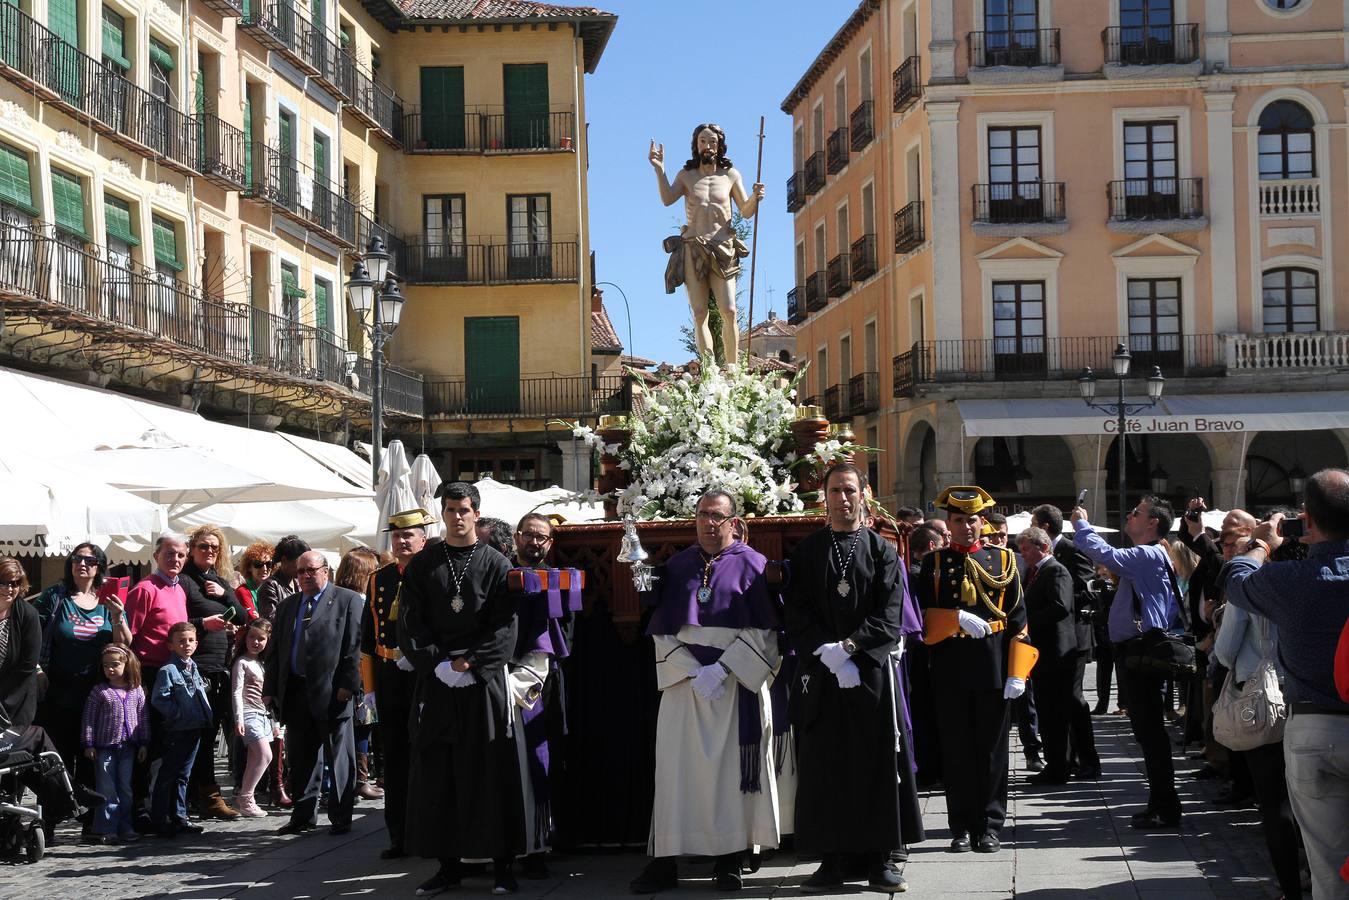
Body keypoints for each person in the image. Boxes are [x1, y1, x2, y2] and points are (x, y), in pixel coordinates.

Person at [630, 490, 781, 894]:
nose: (709, 523)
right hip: (685, 685)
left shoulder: (754, 564)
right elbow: (661, 630)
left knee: (729, 776)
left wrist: (723, 669)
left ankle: (728, 861)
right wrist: (692, 669)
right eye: (702, 516)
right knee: (675, 774)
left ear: (734, 522)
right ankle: (664, 862)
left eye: (717, 516)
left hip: (733, 685)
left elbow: (765, 632)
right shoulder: (677, 566)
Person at [1220, 468, 1349, 900]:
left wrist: (1261, 543)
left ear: (1308, 520)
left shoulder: (1289, 581)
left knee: (1327, 863)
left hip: (1315, 725)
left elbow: (1236, 582)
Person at [785, 464, 908, 893]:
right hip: (822, 673)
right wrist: (828, 653)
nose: (842, 498)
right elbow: (796, 611)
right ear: (825, 497)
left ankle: (879, 861)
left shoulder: (881, 550)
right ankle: (831, 861)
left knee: (871, 764)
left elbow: (890, 614)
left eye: (850, 490)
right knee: (825, 765)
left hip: (867, 673)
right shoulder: (807, 552)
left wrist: (851, 650)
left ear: (865, 494)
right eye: (835, 490)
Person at [399, 482, 521, 896]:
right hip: (436, 682)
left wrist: (470, 663)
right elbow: (410, 623)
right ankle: (448, 866)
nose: (456, 516)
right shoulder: (422, 565)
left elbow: (506, 625)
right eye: (450, 510)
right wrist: (437, 663)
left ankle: (503, 864)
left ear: (476, 512)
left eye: (464, 509)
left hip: (480, 682)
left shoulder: (496, 564)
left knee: (488, 769)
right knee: (439, 774)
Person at [917, 486, 1029, 854]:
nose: (967, 527)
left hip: (993, 662)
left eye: (973, 520)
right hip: (950, 664)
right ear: (949, 524)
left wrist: (1018, 671)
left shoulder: (1005, 561)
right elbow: (919, 619)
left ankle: (990, 825)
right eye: (959, 520)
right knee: (957, 749)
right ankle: (961, 825)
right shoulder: (934, 564)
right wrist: (954, 617)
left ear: (983, 522)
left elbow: (1019, 622)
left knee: (993, 750)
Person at [1071, 497, 1182, 829]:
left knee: (1150, 733)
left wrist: (1082, 524)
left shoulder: (1147, 554)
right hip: (1138, 649)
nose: (1129, 515)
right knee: (1148, 733)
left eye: (1136, 512)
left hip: (1140, 650)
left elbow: (1107, 556)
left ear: (1152, 524)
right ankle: (1161, 803)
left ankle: (1166, 805)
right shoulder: (1153, 554)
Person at [1212, 569, 1302, 899]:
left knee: (1275, 800)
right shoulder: (1319, 577)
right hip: (1311, 697)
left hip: (1263, 702)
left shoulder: (1254, 588)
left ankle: (1291, 888)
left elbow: (1224, 651)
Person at [264, 550, 363, 837]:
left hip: (333, 691)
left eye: (311, 570)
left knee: (339, 756)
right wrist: (270, 689)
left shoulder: (347, 600)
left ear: (325, 571)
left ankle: (341, 816)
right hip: (295, 690)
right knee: (301, 756)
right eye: (300, 572)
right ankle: (303, 815)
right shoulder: (288, 606)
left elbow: (354, 646)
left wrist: (348, 684)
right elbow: (276, 652)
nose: (306, 576)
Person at [33, 544, 132, 818]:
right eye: (77, 558)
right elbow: (33, 635)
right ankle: (51, 819)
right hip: (58, 689)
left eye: (90, 560)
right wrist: (38, 669)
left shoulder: (107, 599)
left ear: (100, 566)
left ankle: (92, 821)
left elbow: (123, 646)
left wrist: (117, 615)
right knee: (56, 756)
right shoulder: (56, 596)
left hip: (97, 692)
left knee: (92, 756)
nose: (82, 564)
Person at [650, 123, 764, 361]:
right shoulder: (686, 176)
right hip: (694, 248)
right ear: (696, 145)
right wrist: (660, 170)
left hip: (723, 248)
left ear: (720, 145)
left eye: (712, 141)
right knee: (700, 313)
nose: (707, 145)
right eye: (703, 141)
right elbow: (667, 199)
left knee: (729, 311)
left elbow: (745, 211)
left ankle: (732, 370)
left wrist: (755, 197)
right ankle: (709, 371)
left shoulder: (731, 175)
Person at [361, 508, 435, 860]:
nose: (402, 541)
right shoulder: (379, 578)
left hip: (423, 673)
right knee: (394, 757)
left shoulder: (434, 572)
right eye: (397, 535)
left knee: (428, 754)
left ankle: (431, 832)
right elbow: (366, 637)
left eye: (410, 535)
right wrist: (370, 688)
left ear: (423, 538)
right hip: (389, 673)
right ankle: (399, 836)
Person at [509, 512, 572, 880]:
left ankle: (540, 844)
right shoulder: (502, 577)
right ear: (517, 538)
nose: (535, 542)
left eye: (543, 538)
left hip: (545, 684)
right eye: (529, 535)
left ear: (551, 544)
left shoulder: (561, 581)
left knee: (544, 762)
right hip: (503, 680)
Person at [1017, 527, 1098, 784]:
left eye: (1026, 549)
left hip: (1057, 653)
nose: (1023, 554)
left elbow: (1060, 607)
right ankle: (1057, 764)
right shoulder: (1036, 572)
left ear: (1042, 546)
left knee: (1056, 712)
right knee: (1049, 711)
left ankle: (1059, 766)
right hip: (1045, 653)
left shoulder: (1055, 570)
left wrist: (1027, 622)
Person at [182, 524, 247, 821]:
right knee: (203, 736)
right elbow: (178, 621)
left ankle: (207, 794)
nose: (209, 551)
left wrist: (225, 595)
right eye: (203, 546)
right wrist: (202, 623)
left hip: (221, 666)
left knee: (218, 731)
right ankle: (206, 796)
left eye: (214, 547)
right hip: (198, 665)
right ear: (192, 549)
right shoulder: (184, 581)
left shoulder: (219, 582)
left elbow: (243, 616)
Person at [80, 643, 149, 843]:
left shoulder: (136, 691)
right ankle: (107, 827)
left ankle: (125, 826)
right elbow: (89, 719)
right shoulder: (99, 691)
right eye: (106, 665)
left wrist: (144, 742)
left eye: (115, 665)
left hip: (129, 747)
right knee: (107, 788)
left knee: (125, 788)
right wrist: (89, 743)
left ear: (127, 665)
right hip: (104, 748)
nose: (110, 669)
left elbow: (143, 718)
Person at [150, 621, 212, 838]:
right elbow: (160, 699)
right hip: (178, 729)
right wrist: (178, 714)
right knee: (169, 774)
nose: (187, 645)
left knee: (184, 775)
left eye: (190, 641)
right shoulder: (168, 670)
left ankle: (180, 816)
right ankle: (160, 819)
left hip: (195, 727)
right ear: (171, 645)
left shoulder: (193, 666)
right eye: (181, 641)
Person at [334, 547, 386, 803]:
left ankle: (352, 780)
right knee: (362, 727)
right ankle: (360, 781)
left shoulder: (335, 598)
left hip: (345, 672)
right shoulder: (360, 602)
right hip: (361, 672)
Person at [231, 619, 275, 818]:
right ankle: (247, 797)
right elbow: (236, 692)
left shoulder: (262, 663)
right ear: (245, 637)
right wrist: (239, 719)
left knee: (255, 758)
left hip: (263, 715)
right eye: (252, 637)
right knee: (265, 755)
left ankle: (246, 798)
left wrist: (274, 722)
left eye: (261, 639)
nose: (255, 642)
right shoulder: (241, 662)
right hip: (248, 714)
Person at [256, 535, 309, 621]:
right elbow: (270, 619)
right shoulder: (270, 586)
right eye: (298, 563)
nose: (302, 567)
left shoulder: (298, 583)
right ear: (284, 560)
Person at [235, 541, 275, 622]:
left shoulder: (275, 588)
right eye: (258, 564)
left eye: (268, 564)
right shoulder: (242, 591)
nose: (265, 569)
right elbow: (254, 620)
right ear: (249, 567)